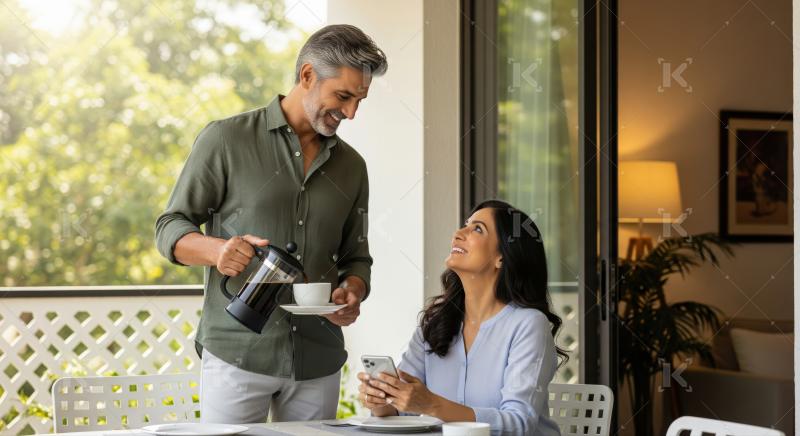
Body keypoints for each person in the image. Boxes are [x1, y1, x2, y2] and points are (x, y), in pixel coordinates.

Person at [154, 24, 387, 423]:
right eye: (343, 96)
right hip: (238, 351)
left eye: (359, 100)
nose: (350, 113)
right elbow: (170, 226)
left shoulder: (353, 167)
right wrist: (218, 251)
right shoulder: (226, 140)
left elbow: (356, 255)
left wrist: (353, 290)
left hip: (319, 356)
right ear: (308, 75)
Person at [357, 200, 566, 435]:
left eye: (477, 229)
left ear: (502, 258)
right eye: (465, 225)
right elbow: (407, 407)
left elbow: (518, 424)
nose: (458, 233)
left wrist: (431, 404)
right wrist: (383, 401)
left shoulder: (528, 325)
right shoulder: (436, 322)